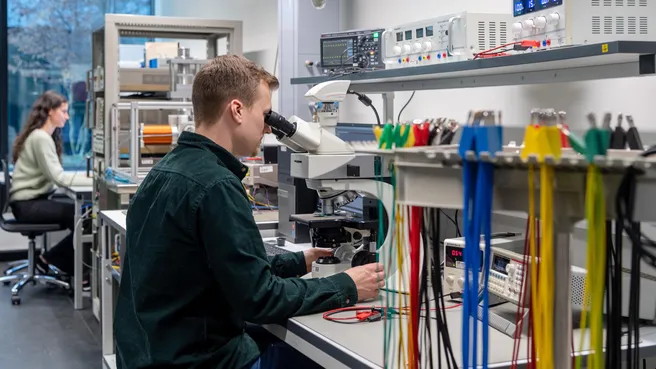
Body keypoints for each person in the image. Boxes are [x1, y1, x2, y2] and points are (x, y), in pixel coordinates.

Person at [114, 55, 385, 369]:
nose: (269, 128)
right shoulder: (216, 186)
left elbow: (214, 267)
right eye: (265, 114)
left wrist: (298, 261)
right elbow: (260, 300)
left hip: (149, 355)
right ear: (237, 110)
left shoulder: (164, 171)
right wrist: (346, 286)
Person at [9, 90, 93, 288]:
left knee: (83, 213)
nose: (67, 116)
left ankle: (54, 261)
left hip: (29, 201)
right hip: (27, 205)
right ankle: (66, 267)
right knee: (85, 216)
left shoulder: (41, 136)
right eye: (63, 111)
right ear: (50, 112)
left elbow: (57, 176)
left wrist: (87, 179)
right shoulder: (41, 138)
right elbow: (58, 177)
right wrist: (97, 181)